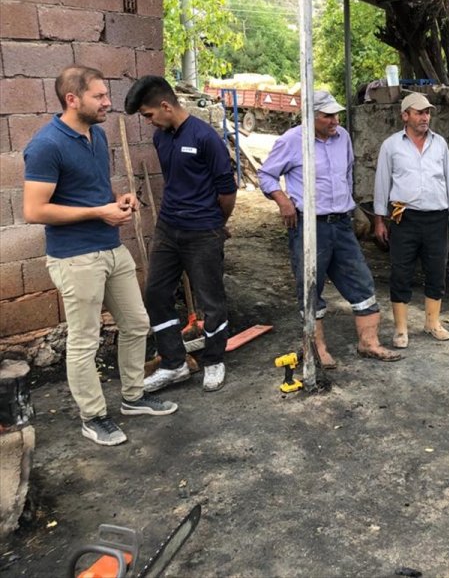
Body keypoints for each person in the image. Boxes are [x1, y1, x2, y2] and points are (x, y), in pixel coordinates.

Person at [23, 66, 177, 446]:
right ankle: (92, 417)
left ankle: (133, 397)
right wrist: (98, 212)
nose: (108, 102)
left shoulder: (97, 134)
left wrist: (118, 200)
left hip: (110, 247)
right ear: (72, 100)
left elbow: (93, 189)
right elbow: (34, 210)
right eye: (99, 96)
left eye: (106, 94)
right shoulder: (46, 145)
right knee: (85, 341)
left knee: (137, 323)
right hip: (75, 257)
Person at [258, 90, 399, 365]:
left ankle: (369, 343)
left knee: (361, 281)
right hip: (309, 226)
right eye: (328, 116)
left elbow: (346, 175)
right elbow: (266, 175)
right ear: (311, 117)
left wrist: (352, 210)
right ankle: (317, 348)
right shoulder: (292, 140)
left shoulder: (342, 137)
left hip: (341, 224)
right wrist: (283, 201)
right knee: (310, 287)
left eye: (336, 115)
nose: (335, 120)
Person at [124, 76, 237, 393]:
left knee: (210, 300)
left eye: (148, 115)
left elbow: (227, 191)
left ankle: (214, 361)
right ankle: (174, 364)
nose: (149, 122)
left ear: (165, 106)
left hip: (203, 231)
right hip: (168, 229)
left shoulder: (205, 137)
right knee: (156, 294)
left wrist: (215, 224)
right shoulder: (161, 138)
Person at [373, 92, 449, 348]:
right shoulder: (391, 146)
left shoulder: (439, 144)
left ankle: (432, 323)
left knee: (436, 270)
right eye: (419, 112)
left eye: (427, 112)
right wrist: (379, 220)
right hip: (405, 218)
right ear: (405, 115)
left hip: (437, 218)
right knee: (401, 272)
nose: (425, 117)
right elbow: (382, 183)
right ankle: (401, 329)